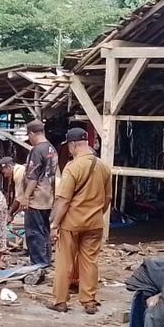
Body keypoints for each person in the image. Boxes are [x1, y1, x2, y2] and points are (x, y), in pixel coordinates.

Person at [49, 127, 112, 314]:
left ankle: (60, 301)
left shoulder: (72, 167)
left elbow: (63, 200)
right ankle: (89, 301)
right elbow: (108, 198)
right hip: (95, 223)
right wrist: (97, 214)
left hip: (71, 223)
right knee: (90, 262)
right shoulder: (103, 167)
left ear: (73, 144)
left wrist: (54, 225)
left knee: (64, 262)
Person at [12, 120, 58, 268]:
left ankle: (38, 265)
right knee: (44, 230)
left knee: (34, 233)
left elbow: (33, 177)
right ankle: (45, 261)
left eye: (29, 135)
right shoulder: (52, 149)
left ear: (32, 133)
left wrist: (26, 197)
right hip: (48, 197)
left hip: (37, 198)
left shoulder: (37, 150)